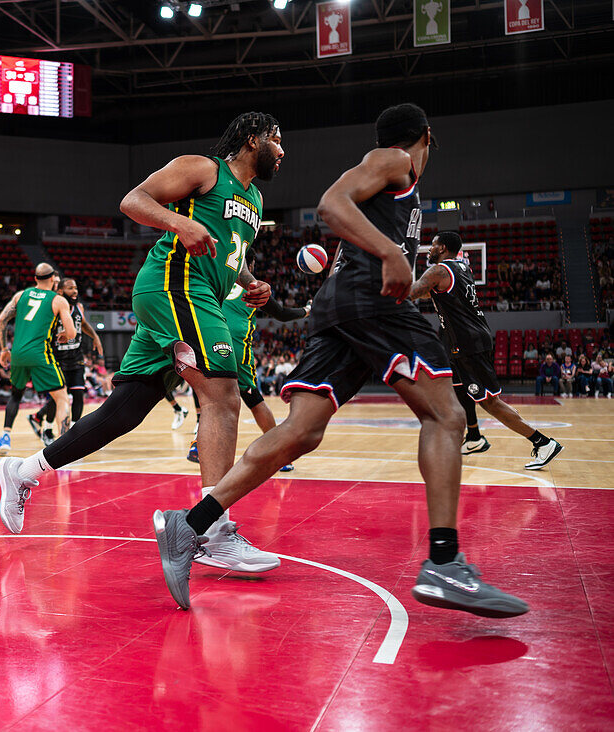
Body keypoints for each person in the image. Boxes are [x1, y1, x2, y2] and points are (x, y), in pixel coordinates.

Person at [150, 103, 529, 617]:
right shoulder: (396, 160)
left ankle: (189, 525)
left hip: (339, 305)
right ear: (427, 136)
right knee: (447, 415)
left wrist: (403, 267)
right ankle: (444, 563)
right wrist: (392, 254)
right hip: (366, 298)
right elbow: (332, 203)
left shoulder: (399, 182)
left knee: (302, 431)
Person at [0, 112, 281, 574]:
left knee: (122, 414)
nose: (282, 150)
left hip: (195, 293)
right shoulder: (204, 169)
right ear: (252, 140)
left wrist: (251, 281)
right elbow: (133, 200)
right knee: (223, 396)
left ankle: (22, 471)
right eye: (275, 139)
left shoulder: (254, 197)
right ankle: (212, 531)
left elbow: (230, 254)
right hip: (175, 286)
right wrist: (179, 225)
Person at [410, 231, 563, 470]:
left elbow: (412, 292)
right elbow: (431, 293)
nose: (429, 250)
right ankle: (474, 437)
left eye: (432, 245)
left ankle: (542, 442)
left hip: (468, 344)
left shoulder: (439, 271)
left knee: (490, 402)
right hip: (465, 341)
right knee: (459, 389)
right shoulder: (461, 269)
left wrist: (387, 283)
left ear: (442, 248)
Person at [187, 285, 310, 474]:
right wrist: (308, 310)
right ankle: (280, 455)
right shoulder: (254, 287)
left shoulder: (218, 281)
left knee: (209, 396)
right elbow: (282, 314)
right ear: (249, 267)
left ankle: (198, 444)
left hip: (211, 343)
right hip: (236, 348)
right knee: (254, 400)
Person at [0, 263, 77, 455]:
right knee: (62, 397)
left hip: (18, 354)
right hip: (40, 353)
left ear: (35, 279)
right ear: (52, 280)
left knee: (16, 394)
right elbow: (72, 333)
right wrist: (65, 333)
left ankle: (5, 438)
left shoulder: (20, 295)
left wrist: (4, 349)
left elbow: (1, 320)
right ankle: (64, 447)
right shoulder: (58, 300)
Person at [27, 277, 103, 445]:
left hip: (76, 359)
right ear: (60, 291)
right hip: (57, 359)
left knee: (78, 395)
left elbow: (83, 324)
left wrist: (95, 337)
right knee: (58, 398)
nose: (74, 291)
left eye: (75, 287)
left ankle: (74, 433)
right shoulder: (52, 308)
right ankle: (46, 427)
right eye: (70, 288)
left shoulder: (79, 307)